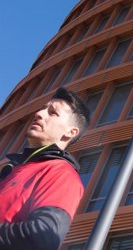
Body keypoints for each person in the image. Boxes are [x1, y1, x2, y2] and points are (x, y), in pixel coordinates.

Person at [0, 87, 90, 250]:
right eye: (42, 108)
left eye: (52, 113)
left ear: (71, 132)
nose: (39, 114)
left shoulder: (61, 174)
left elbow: (42, 238)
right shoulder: (12, 169)